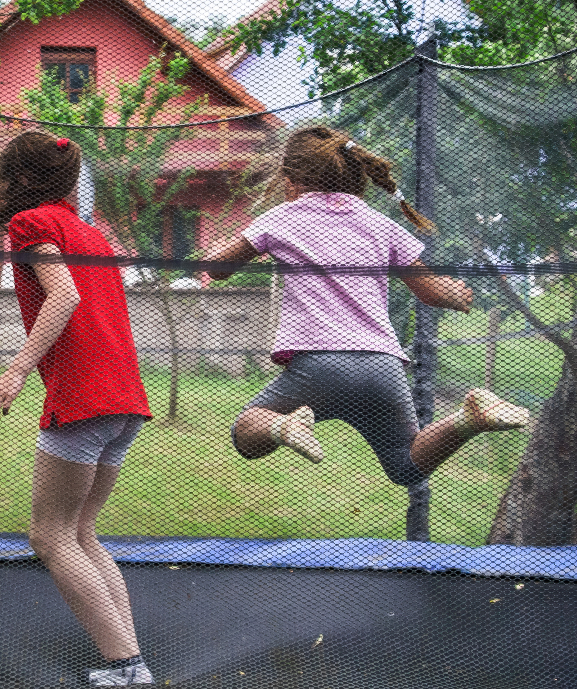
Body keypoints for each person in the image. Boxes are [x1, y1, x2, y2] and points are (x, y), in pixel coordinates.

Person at [202, 124, 529, 489]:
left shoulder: (281, 217)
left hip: (320, 365)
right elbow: (430, 292)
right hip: (381, 364)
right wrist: (454, 294)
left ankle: (284, 424)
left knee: (246, 433)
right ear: (356, 178)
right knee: (406, 466)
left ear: (291, 180)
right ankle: (470, 419)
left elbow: (217, 269)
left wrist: (214, 250)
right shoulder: (380, 224)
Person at [0, 131, 155, 687]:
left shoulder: (32, 224)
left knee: (49, 535)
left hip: (85, 396)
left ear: (17, 180)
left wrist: (16, 370)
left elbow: (64, 296)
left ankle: (126, 665)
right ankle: (131, 658)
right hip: (125, 400)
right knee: (82, 530)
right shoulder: (91, 232)